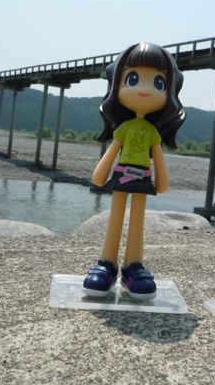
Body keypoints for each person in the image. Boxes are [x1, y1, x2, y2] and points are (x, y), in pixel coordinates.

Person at [83, 43, 186, 300]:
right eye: (132, 79)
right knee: (115, 218)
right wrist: (101, 173)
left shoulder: (152, 131)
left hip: (143, 178)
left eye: (159, 83)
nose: (145, 89)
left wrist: (161, 181)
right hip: (122, 174)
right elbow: (113, 150)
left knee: (138, 222)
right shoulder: (124, 128)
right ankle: (106, 262)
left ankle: (133, 266)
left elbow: (158, 156)